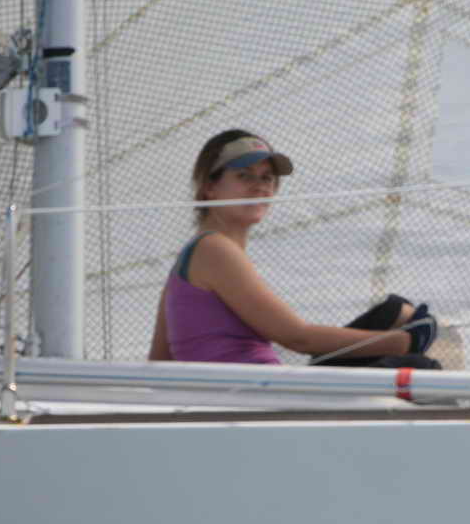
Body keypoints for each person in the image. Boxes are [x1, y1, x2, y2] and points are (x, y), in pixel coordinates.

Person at [148, 129, 440, 369]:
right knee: (422, 368)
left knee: (395, 312)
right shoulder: (215, 250)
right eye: (244, 175)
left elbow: (160, 360)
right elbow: (297, 338)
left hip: (253, 392)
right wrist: (404, 343)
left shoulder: (192, 257)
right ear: (209, 188)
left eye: (267, 178)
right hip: (255, 397)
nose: (259, 186)